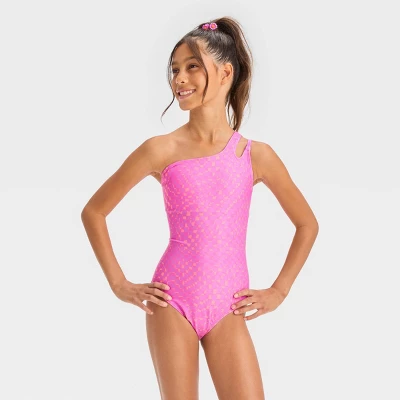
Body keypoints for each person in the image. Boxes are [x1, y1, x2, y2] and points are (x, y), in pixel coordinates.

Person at [81, 16, 319, 400]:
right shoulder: (160, 150)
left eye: (192, 66)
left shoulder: (255, 155)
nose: (179, 78)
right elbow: (94, 211)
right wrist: (119, 284)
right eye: (175, 69)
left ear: (225, 73)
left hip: (228, 306)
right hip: (173, 300)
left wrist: (279, 290)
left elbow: (307, 224)